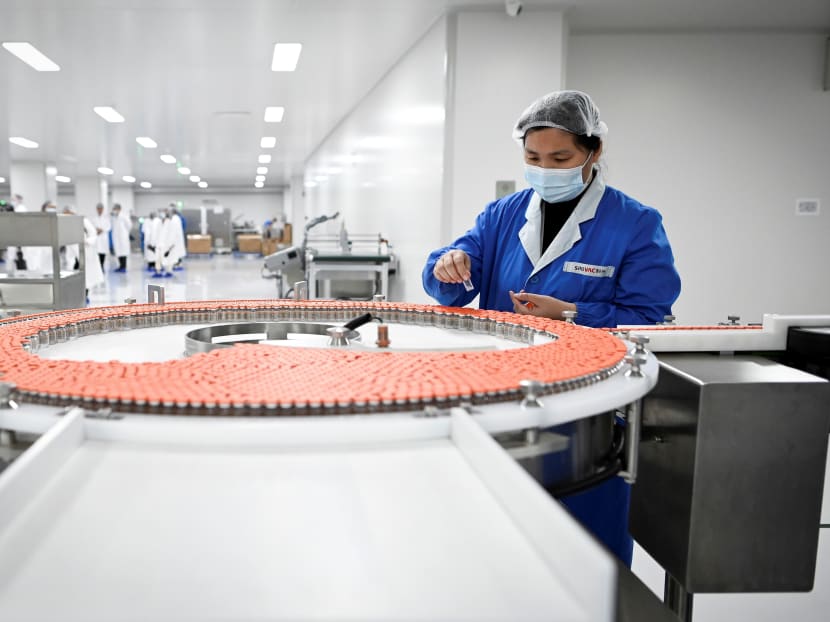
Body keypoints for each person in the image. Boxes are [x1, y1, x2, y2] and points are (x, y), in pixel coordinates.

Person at [422, 90, 681, 565]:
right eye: (533, 157)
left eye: (561, 157)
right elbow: (452, 283)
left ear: (593, 151)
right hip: (502, 397)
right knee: (498, 548)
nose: (546, 168)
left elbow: (651, 317)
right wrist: (446, 265)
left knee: (586, 554)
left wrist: (573, 314)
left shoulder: (635, 224)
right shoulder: (503, 214)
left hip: (588, 411)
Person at [110, 203, 131, 273]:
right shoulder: (114, 217)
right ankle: (120, 266)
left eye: (115, 209)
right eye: (114, 209)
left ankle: (124, 267)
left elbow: (129, 225)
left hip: (123, 237)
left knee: (123, 252)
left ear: (119, 209)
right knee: (118, 252)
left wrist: (125, 233)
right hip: (116, 237)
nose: (114, 210)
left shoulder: (124, 216)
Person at [91, 203, 111, 271]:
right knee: (97, 252)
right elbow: (92, 226)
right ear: (97, 209)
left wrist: (102, 230)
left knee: (103, 252)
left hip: (103, 236)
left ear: (103, 209)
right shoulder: (94, 218)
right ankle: (98, 267)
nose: (99, 210)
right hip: (97, 236)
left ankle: (102, 265)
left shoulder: (106, 218)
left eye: (101, 209)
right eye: (98, 209)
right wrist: (96, 230)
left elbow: (109, 227)